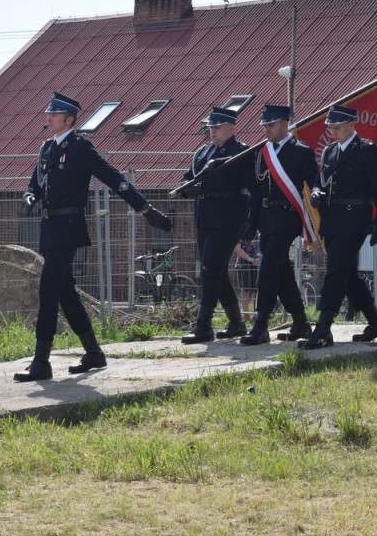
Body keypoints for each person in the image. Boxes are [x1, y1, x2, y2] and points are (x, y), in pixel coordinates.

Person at [15, 92, 172, 382]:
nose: (47, 118)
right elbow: (35, 183)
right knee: (65, 293)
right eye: (48, 114)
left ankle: (41, 362)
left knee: (48, 291)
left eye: (53, 114)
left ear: (69, 119)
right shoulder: (47, 148)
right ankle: (94, 352)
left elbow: (114, 178)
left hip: (69, 227)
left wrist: (145, 209)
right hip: (49, 229)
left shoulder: (79, 149)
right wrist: (28, 197)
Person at [305, 103, 377, 349]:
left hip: (355, 219)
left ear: (352, 125)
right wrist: (316, 192)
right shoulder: (329, 152)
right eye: (331, 127)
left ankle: (323, 327)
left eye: (338, 127)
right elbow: (319, 180)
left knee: (335, 271)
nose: (333, 132)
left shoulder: (367, 150)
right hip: (332, 219)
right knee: (347, 275)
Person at [239, 104, 318, 345]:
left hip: (287, 217)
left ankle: (261, 324)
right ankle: (301, 322)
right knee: (282, 272)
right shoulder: (261, 153)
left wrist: (317, 192)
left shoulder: (301, 151)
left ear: (285, 123)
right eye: (264, 126)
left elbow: (314, 181)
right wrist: (251, 224)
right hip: (266, 217)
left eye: (271, 125)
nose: (267, 130)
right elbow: (255, 191)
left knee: (268, 268)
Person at [179, 107, 254, 344]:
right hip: (205, 215)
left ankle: (204, 325)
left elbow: (248, 183)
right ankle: (236, 322)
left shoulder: (240, 151)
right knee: (216, 270)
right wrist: (188, 188)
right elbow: (187, 177)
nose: (212, 131)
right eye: (210, 127)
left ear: (231, 128)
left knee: (210, 268)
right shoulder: (202, 151)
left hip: (229, 216)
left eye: (217, 127)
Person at [233, 236, 260, 317]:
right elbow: (237, 249)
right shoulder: (241, 232)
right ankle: (246, 314)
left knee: (256, 290)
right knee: (246, 290)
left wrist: (259, 258)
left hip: (256, 265)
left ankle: (255, 314)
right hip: (244, 265)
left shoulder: (258, 232)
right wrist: (250, 259)